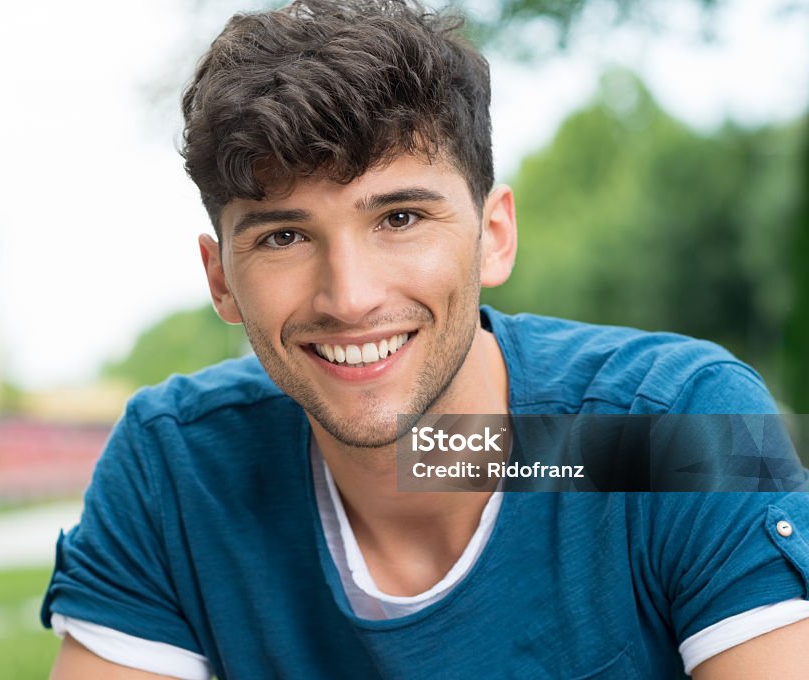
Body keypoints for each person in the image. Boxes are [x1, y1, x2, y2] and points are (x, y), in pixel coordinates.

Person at [41, 1, 809, 677]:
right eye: (282, 237)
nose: (350, 298)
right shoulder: (179, 472)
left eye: (400, 219)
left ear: (493, 235)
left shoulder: (671, 431)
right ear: (220, 280)